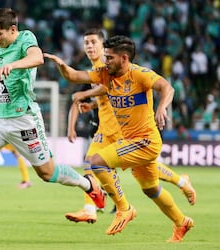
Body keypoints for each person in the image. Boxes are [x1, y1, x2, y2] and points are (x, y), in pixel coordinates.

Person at [0, 8, 106, 228]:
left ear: (13, 29)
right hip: (0, 122)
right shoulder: (0, 45)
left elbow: (37, 58)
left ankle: (89, 184)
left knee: (48, 173)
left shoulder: (26, 37)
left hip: (25, 120)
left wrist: (13, 65)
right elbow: (6, 74)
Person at [44, 35, 194, 242]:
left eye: (110, 57)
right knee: (151, 190)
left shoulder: (140, 74)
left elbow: (167, 88)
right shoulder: (106, 75)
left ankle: (125, 208)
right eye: (105, 57)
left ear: (124, 58)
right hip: (130, 140)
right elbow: (74, 76)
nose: (106, 61)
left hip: (146, 141)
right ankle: (181, 222)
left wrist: (161, 107)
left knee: (96, 163)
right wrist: (61, 65)